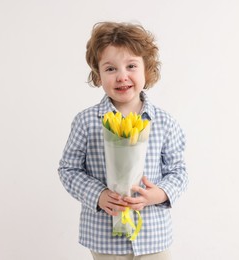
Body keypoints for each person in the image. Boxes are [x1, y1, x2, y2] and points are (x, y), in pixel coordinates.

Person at [58, 21, 188, 260]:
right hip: (104, 238)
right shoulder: (86, 121)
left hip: (153, 236)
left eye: (131, 66)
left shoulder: (164, 122)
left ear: (146, 70)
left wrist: (159, 194)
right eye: (110, 69)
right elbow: (68, 169)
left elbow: (178, 171)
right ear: (97, 74)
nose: (122, 77)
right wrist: (98, 195)